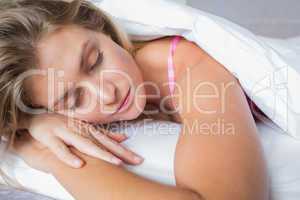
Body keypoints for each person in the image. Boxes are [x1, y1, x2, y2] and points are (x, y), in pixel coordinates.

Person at [0, 0, 269, 199]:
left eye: (95, 61)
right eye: (74, 99)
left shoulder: (194, 70)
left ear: (99, 26)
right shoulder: (40, 113)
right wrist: (29, 120)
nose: (107, 94)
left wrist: (49, 156)